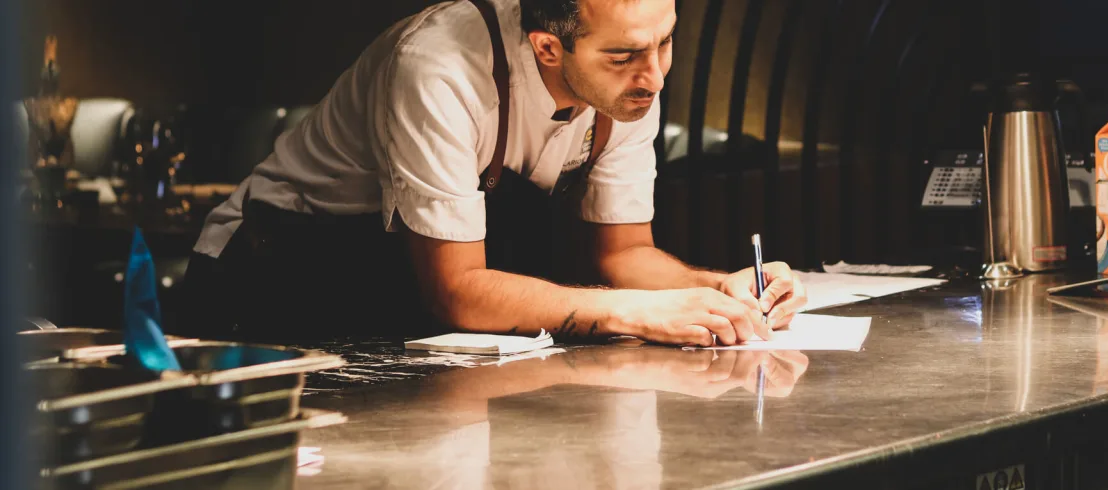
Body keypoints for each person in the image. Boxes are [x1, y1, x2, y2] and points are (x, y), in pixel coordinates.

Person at [180, 0, 807, 345]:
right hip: (271, 276)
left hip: (384, 288)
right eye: (625, 55)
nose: (654, 75)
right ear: (547, 48)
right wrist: (642, 313)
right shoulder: (437, 68)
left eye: (665, 42)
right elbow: (454, 289)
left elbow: (625, 254)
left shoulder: (629, 81)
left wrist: (716, 290)